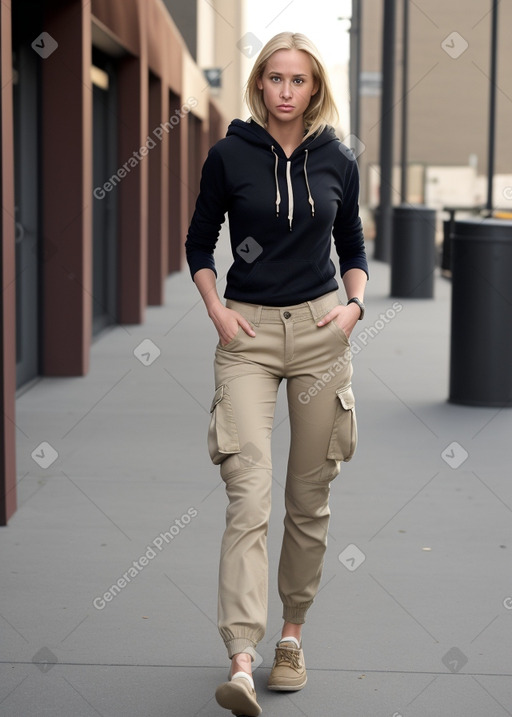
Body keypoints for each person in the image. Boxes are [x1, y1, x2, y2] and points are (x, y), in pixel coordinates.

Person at [185, 31, 368, 717]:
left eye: (298, 80)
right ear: (259, 84)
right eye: (275, 78)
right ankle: (240, 654)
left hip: (322, 332)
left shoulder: (337, 159)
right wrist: (216, 310)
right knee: (247, 494)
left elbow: (352, 244)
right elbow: (199, 242)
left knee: (309, 497)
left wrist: (354, 306)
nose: (286, 91)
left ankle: (290, 637)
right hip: (249, 334)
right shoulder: (229, 154)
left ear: (314, 88)